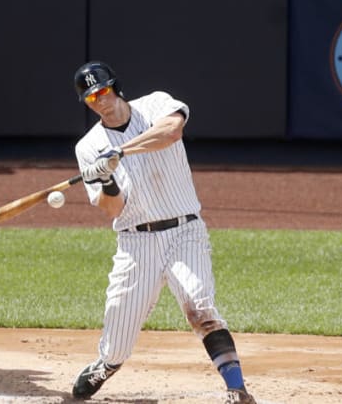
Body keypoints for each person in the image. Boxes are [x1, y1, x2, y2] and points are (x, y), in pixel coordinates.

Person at [70, 61, 256, 404]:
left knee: (200, 307)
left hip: (184, 230)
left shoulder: (155, 104)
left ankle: (237, 389)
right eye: (92, 97)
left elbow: (171, 131)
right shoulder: (88, 147)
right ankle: (106, 364)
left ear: (115, 86)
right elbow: (111, 208)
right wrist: (107, 178)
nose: (101, 100)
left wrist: (121, 152)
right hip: (135, 240)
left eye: (104, 90)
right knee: (119, 335)